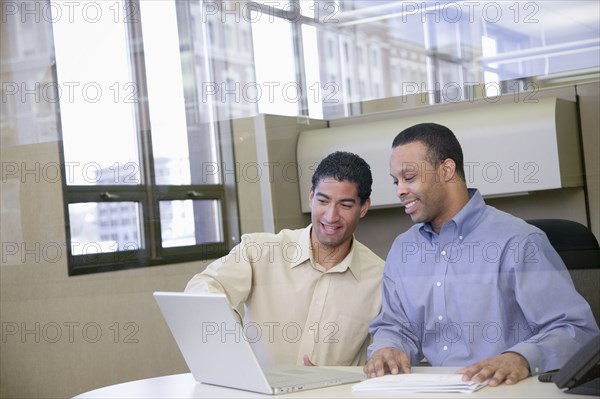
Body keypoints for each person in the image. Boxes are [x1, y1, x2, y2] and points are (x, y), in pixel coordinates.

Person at [364, 123, 599, 386]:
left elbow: (577, 330)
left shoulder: (518, 241)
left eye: (409, 177)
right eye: (396, 181)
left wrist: (520, 358)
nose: (399, 190)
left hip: (507, 390)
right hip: (433, 390)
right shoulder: (402, 250)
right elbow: (395, 327)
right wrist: (389, 347)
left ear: (447, 170)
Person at [185, 151, 384, 367]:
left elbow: (382, 359)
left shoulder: (380, 278)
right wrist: (227, 324)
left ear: (363, 207)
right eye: (323, 201)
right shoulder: (259, 251)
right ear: (311, 197)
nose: (330, 216)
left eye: (345, 205)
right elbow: (201, 287)